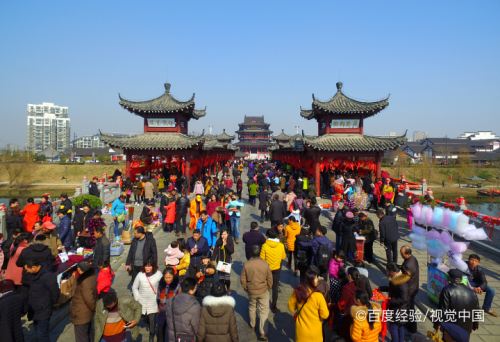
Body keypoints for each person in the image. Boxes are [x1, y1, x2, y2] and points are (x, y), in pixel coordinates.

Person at [288, 266, 329, 341]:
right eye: (316, 278)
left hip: (301, 332)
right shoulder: (318, 296)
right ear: (312, 281)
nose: (318, 280)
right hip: (315, 334)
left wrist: (298, 312)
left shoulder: (297, 291)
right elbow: (325, 315)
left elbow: (290, 307)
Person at [241, 245, 273, 341]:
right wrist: (268, 287)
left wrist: (246, 288)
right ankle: (262, 332)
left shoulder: (247, 264)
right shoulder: (265, 264)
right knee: (264, 310)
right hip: (263, 290)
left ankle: (252, 324)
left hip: (251, 290)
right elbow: (270, 278)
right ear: (259, 253)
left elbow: (243, 279)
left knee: (252, 307)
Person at [437, 269, 480, 341]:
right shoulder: (472, 292)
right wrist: (475, 324)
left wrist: (438, 324)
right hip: (466, 328)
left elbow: (443, 310)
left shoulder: (447, 290)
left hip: (452, 328)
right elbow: (476, 309)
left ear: (450, 278)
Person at [25, 258, 60, 342]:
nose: (27, 272)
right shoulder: (33, 274)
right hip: (34, 309)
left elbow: (55, 292)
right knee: (38, 331)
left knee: (42, 335)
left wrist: (50, 304)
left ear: (34, 267)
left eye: (28, 269)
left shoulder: (47, 276)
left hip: (43, 309)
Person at [379, 262, 410, 342]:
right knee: (400, 326)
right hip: (401, 309)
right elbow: (394, 290)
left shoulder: (400, 282)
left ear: (392, 272)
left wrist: (390, 301)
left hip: (398, 309)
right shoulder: (398, 278)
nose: (386, 273)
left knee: (393, 326)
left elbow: (404, 299)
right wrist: (383, 288)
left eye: (387, 271)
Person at [132, 261, 163, 342]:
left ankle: (151, 338)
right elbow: (134, 287)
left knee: (152, 326)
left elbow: (162, 287)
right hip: (141, 303)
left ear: (153, 266)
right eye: (146, 266)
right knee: (143, 319)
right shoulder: (140, 275)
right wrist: (137, 298)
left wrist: (160, 298)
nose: (147, 268)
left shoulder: (158, 274)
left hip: (153, 303)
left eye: (149, 266)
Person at [165, 277, 201, 342]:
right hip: (187, 338)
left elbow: (168, 320)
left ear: (181, 288)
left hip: (172, 337)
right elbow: (196, 327)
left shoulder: (170, 301)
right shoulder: (195, 305)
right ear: (192, 290)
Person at [70, 261, 97, 342]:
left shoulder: (84, 281)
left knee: (81, 337)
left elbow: (89, 299)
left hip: (81, 314)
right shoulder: (92, 277)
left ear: (79, 269)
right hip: (87, 313)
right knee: (89, 333)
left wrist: (93, 308)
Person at [260, 228, 286, 313]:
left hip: (267, 270)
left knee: (265, 287)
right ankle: (274, 306)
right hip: (277, 269)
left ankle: (264, 304)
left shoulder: (265, 246)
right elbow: (283, 257)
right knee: (275, 288)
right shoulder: (281, 245)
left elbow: (262, 259)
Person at [400, 245, 420, 333]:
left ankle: (412, 328)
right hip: (413, 287)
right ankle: (410, 325)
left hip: (410, 289)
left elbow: (405, 277)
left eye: (402, 254)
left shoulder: (408, 265)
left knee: (409, 308)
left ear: (407, 254)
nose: (401, 255)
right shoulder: (412, 258)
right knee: (410, 308)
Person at [157, 267, 179, 342]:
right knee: (160, 329)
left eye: (170, 277)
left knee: (170, 330)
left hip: (172, 311)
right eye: (166, 277)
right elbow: (158, 296)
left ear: (173, 276)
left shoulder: (177, 285)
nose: (168, 279)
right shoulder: (161, 284)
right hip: (162, 310)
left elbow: (179, 299)